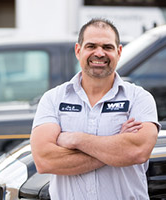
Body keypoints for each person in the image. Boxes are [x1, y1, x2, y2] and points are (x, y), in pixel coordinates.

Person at [30, 18, 160, 200]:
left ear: (119, 51)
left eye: (107, 47)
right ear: (78, 50)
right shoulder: (53, 99)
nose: (99, 53)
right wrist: (116, 147)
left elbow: (136, 151)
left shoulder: (139, 98)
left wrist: (75, 139)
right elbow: (44, 160)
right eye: (91, 46)